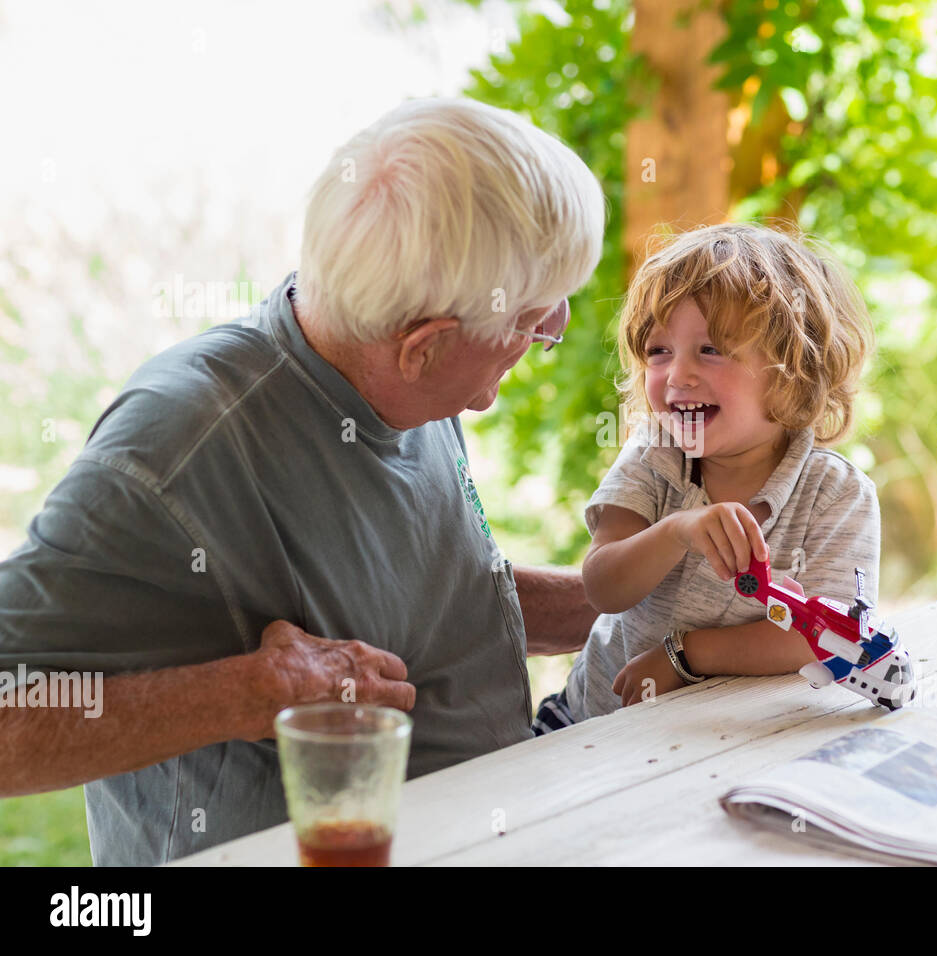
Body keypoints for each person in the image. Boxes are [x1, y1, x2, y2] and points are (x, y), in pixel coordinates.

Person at [0, 97, 605, 865]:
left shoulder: (400, 375)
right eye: (531, 324)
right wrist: (248, 693)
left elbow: (426, 598)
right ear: (423, 345)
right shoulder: (178, 450)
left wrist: (639, 598)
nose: (545, 336)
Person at [532, 222, 879, 733]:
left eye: (710, 350)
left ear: (794, 368)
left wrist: (683, 655)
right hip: (591, 726)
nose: (677, 376)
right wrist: (679, 531)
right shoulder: (654, 457)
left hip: (730, 740)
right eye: (658, 350)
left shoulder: (837, 495)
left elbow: (826, 637)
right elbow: (603, 586)